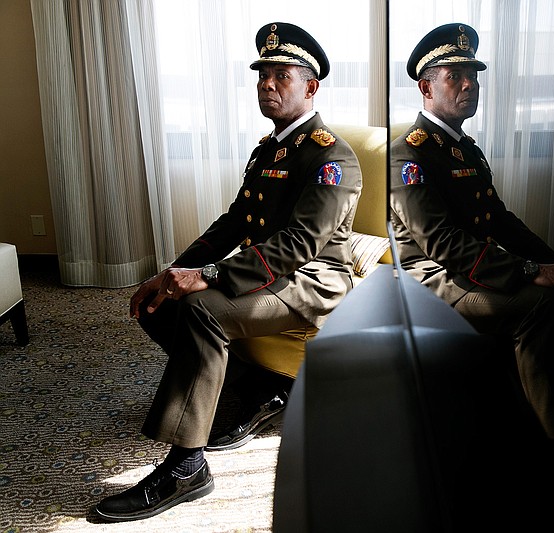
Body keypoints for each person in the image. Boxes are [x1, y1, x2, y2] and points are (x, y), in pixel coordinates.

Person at [92, 22, 363, 522]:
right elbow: (235, 221)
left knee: (201, 309)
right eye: (263, 75)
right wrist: (177, 269)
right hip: (267, 273)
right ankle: (257, 389)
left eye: (282, 75)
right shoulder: (270, 149)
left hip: (312, 280)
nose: (268, 84)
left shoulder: (332, 156)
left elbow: (300, 244)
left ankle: (185, 466)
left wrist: (209, 278)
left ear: (311, 86)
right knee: (161, 302)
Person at [389, 23, 554, 506]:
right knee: (538, 305)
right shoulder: (410, 154)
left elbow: (497, 219)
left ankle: (535, 389)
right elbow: (442, 244)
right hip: (431, 278)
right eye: (455, 75)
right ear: (426, 86)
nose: (468, 86)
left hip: (472, 267)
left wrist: (553, 261)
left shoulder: (463, 147)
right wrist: (528, 273)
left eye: (474, 77)